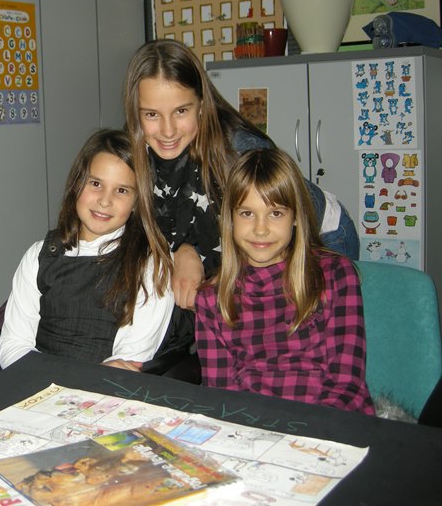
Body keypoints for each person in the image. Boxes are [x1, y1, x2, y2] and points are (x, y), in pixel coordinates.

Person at [123, 38, 359, 310]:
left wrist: (192, 253)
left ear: (202, 105)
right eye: (151, 114)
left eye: (181, 111)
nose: (167, 131)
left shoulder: (238, 152)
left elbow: (270, 231)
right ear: (135, 113)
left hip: (317, 236)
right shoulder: (130, 153)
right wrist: (185, 251)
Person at [194, 147, 375, 415]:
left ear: (296, 217)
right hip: (253, 426)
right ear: (230, 219)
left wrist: (307, 430)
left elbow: (346, 384)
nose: (260, 229)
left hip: (329, 421)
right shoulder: (212, 298)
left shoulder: (335, 275)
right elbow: (222, 396)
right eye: (247, 213)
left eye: (276, 213)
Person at [0, 129, 174, 371]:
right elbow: (13, 345)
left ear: (137, 202)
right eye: (96, 184)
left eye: (122, 190)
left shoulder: (149, 262)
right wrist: (47, 380)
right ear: (77, 185)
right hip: (37, 381)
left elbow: (129, 359)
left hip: (101, 388)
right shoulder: (39, 256)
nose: (105, 200)